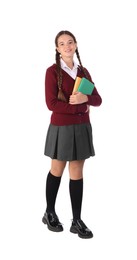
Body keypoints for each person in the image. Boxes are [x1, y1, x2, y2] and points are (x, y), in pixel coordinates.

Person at [42, 30, 102, 239]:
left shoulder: (83, 71)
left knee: (77, 172)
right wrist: (77, 106)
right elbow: (51, 104)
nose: (67, 46)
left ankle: (76, 220)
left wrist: (85, 98)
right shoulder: (52, 72)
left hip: (82, 127)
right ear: (57, 49)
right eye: (62, 44)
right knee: (57, 169)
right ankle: (49, 212)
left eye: (70, 42)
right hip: (62, 127)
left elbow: (98, 99)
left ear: (75, 45)